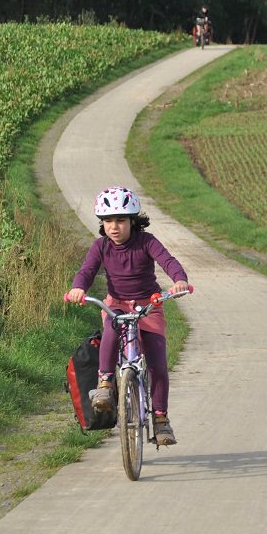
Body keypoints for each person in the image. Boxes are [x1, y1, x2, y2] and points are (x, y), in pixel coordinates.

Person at [65, 186, 190, 446]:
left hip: (149, 304)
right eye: (108, 221)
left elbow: (168, 261)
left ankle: (160, 419)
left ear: (132, 221)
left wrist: (179, 280)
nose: (114, 227)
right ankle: (106, 384)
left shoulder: (147, 242)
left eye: (120, 220)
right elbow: (87, 270)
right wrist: (79, 288)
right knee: (111, 327)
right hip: (117, 304)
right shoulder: (100, 247)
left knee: (158, 363)